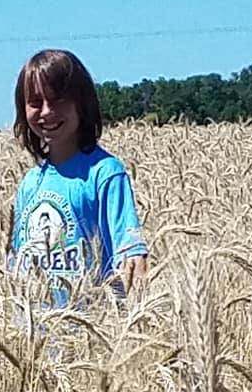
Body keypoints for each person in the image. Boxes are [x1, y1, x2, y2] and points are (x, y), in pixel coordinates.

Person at [9, 49, 148, 306]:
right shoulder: (30, 183)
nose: (47, 111)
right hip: (32, 337)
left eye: (58, 100)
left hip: (91, 333)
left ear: (81, 104)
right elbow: (16, 264)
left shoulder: (105, 173)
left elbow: (132, 260)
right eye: (36, 102)